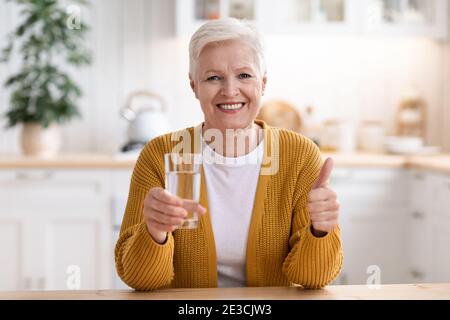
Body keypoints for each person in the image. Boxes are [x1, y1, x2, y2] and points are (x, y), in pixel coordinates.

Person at [115, 18, 342, 290]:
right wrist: (154, 232)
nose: (230, 90)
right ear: (194, 86)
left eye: (244, 75)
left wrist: (321, 230)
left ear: (263, 82)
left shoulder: (299, 156)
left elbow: (312, 279)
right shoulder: (160, 155)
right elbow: (139, 280)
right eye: (213, 78)